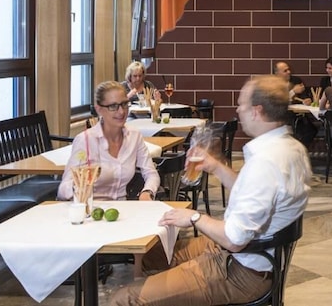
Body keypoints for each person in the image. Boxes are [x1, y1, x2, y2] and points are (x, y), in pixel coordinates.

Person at [110, 75, 312, 306]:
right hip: (251, 256)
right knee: (150, 255)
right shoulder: (291, 148)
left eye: (242, 104)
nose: (238, 110)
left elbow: (234, 240)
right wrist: (215, 166)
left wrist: (194, 217)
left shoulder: (265, 162)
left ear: (257, 111)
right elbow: (252, 192)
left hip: (241, 271)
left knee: (124, 299)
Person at [59, 81, 159, 201]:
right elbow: (63, 190)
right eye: (113, 106)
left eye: (124, 104)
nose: (121, 111)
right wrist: (79, 186)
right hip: (91, 208)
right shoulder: (85, 140)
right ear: (99, 109)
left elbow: (151, 173)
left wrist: (147, 191)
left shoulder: (134, 136)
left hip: (122, 209)